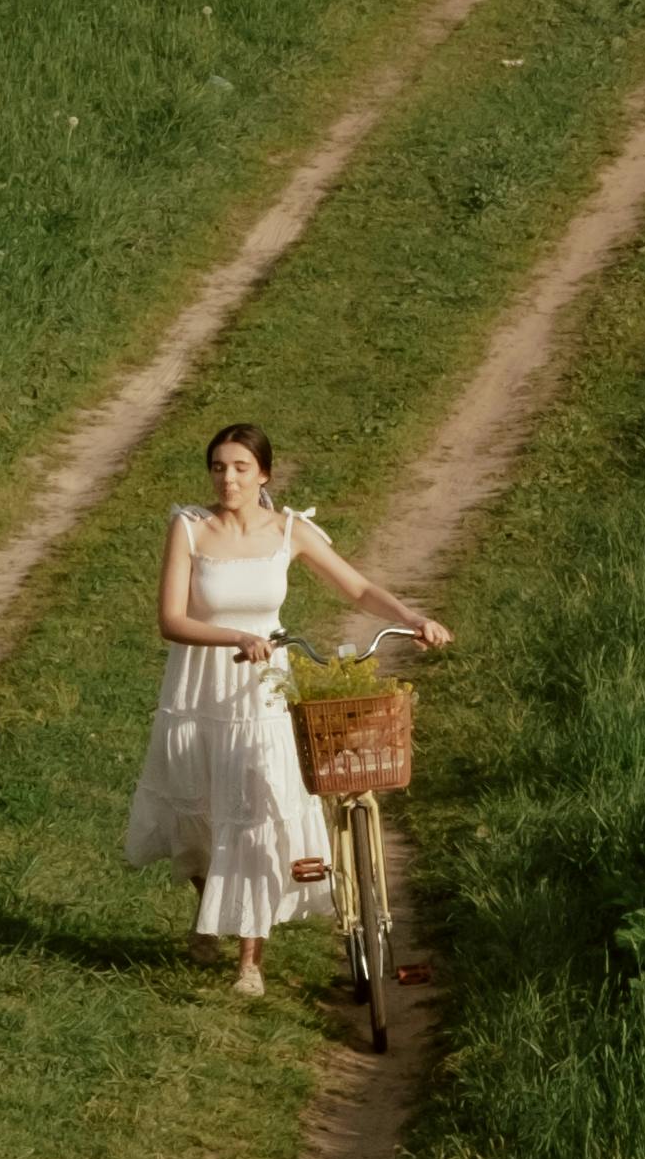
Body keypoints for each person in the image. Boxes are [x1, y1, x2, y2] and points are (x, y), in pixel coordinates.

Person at [125, 422, 446, 1006]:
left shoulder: (288, 530)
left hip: (264, 693)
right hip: (201, 685)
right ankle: (208, 903)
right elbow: (170, 620)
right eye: (219, 467)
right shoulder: (190, 528)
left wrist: (412, 617)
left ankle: (250, 959)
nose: (228, 478)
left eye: (241, 468)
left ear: (264, 474)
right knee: (200, 811)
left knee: (257, 810)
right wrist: (232, 638)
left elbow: (356, 588)